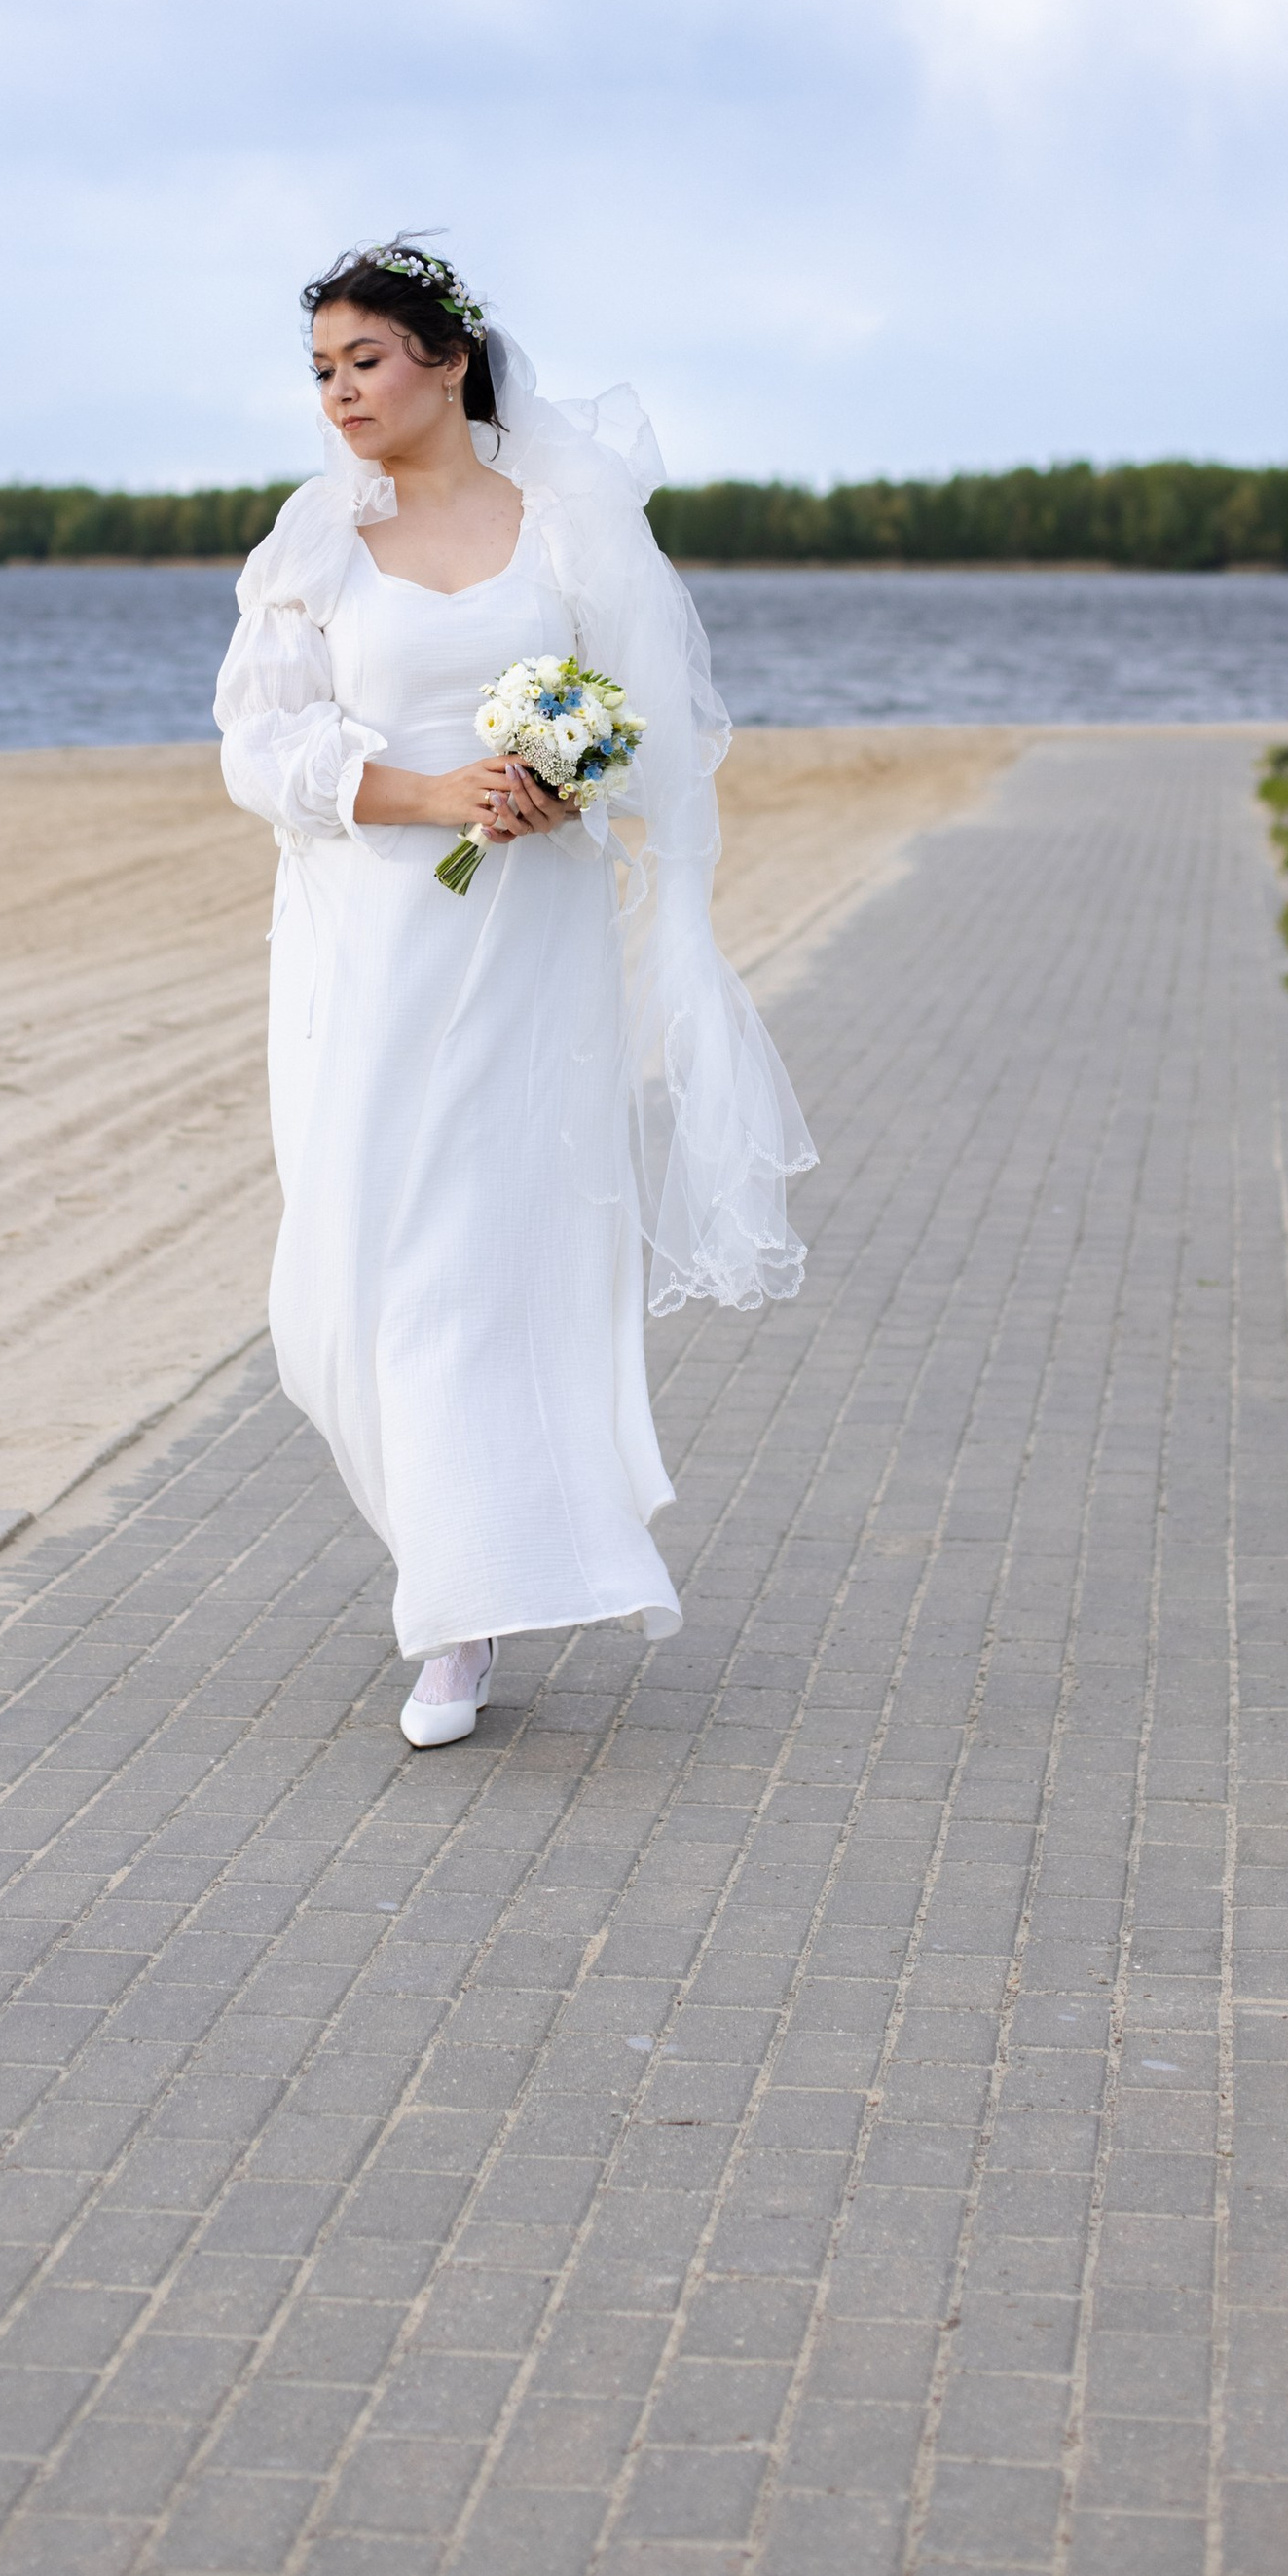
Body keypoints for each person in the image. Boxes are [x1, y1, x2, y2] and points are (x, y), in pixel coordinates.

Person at [214, 243, 814, 1747]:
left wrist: (573, 781)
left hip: (526, 939)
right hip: (370, 936)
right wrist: (426, 789)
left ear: (448, 360)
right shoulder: (314, 542)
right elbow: (255, 746)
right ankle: (458, 1555)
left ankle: (462, 1606)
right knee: (350, 1272)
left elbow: (648, 714)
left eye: (365, 359)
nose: (342, 392)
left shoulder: (568, 525)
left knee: (487, 1249)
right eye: (323, 371)